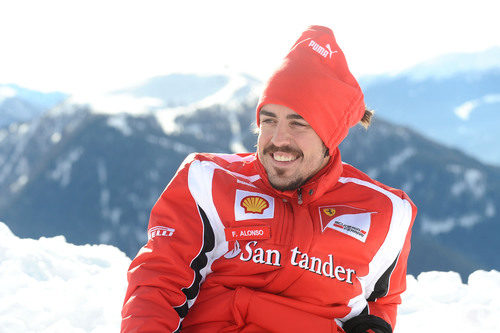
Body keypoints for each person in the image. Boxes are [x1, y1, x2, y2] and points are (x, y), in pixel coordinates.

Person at [121, 25, 417, 333]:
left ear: (330, 135)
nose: (278, 139)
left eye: (298, 123)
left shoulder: (386, 212)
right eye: (269, 120)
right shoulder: (209, 182)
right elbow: (158, 280)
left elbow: (381, 302)